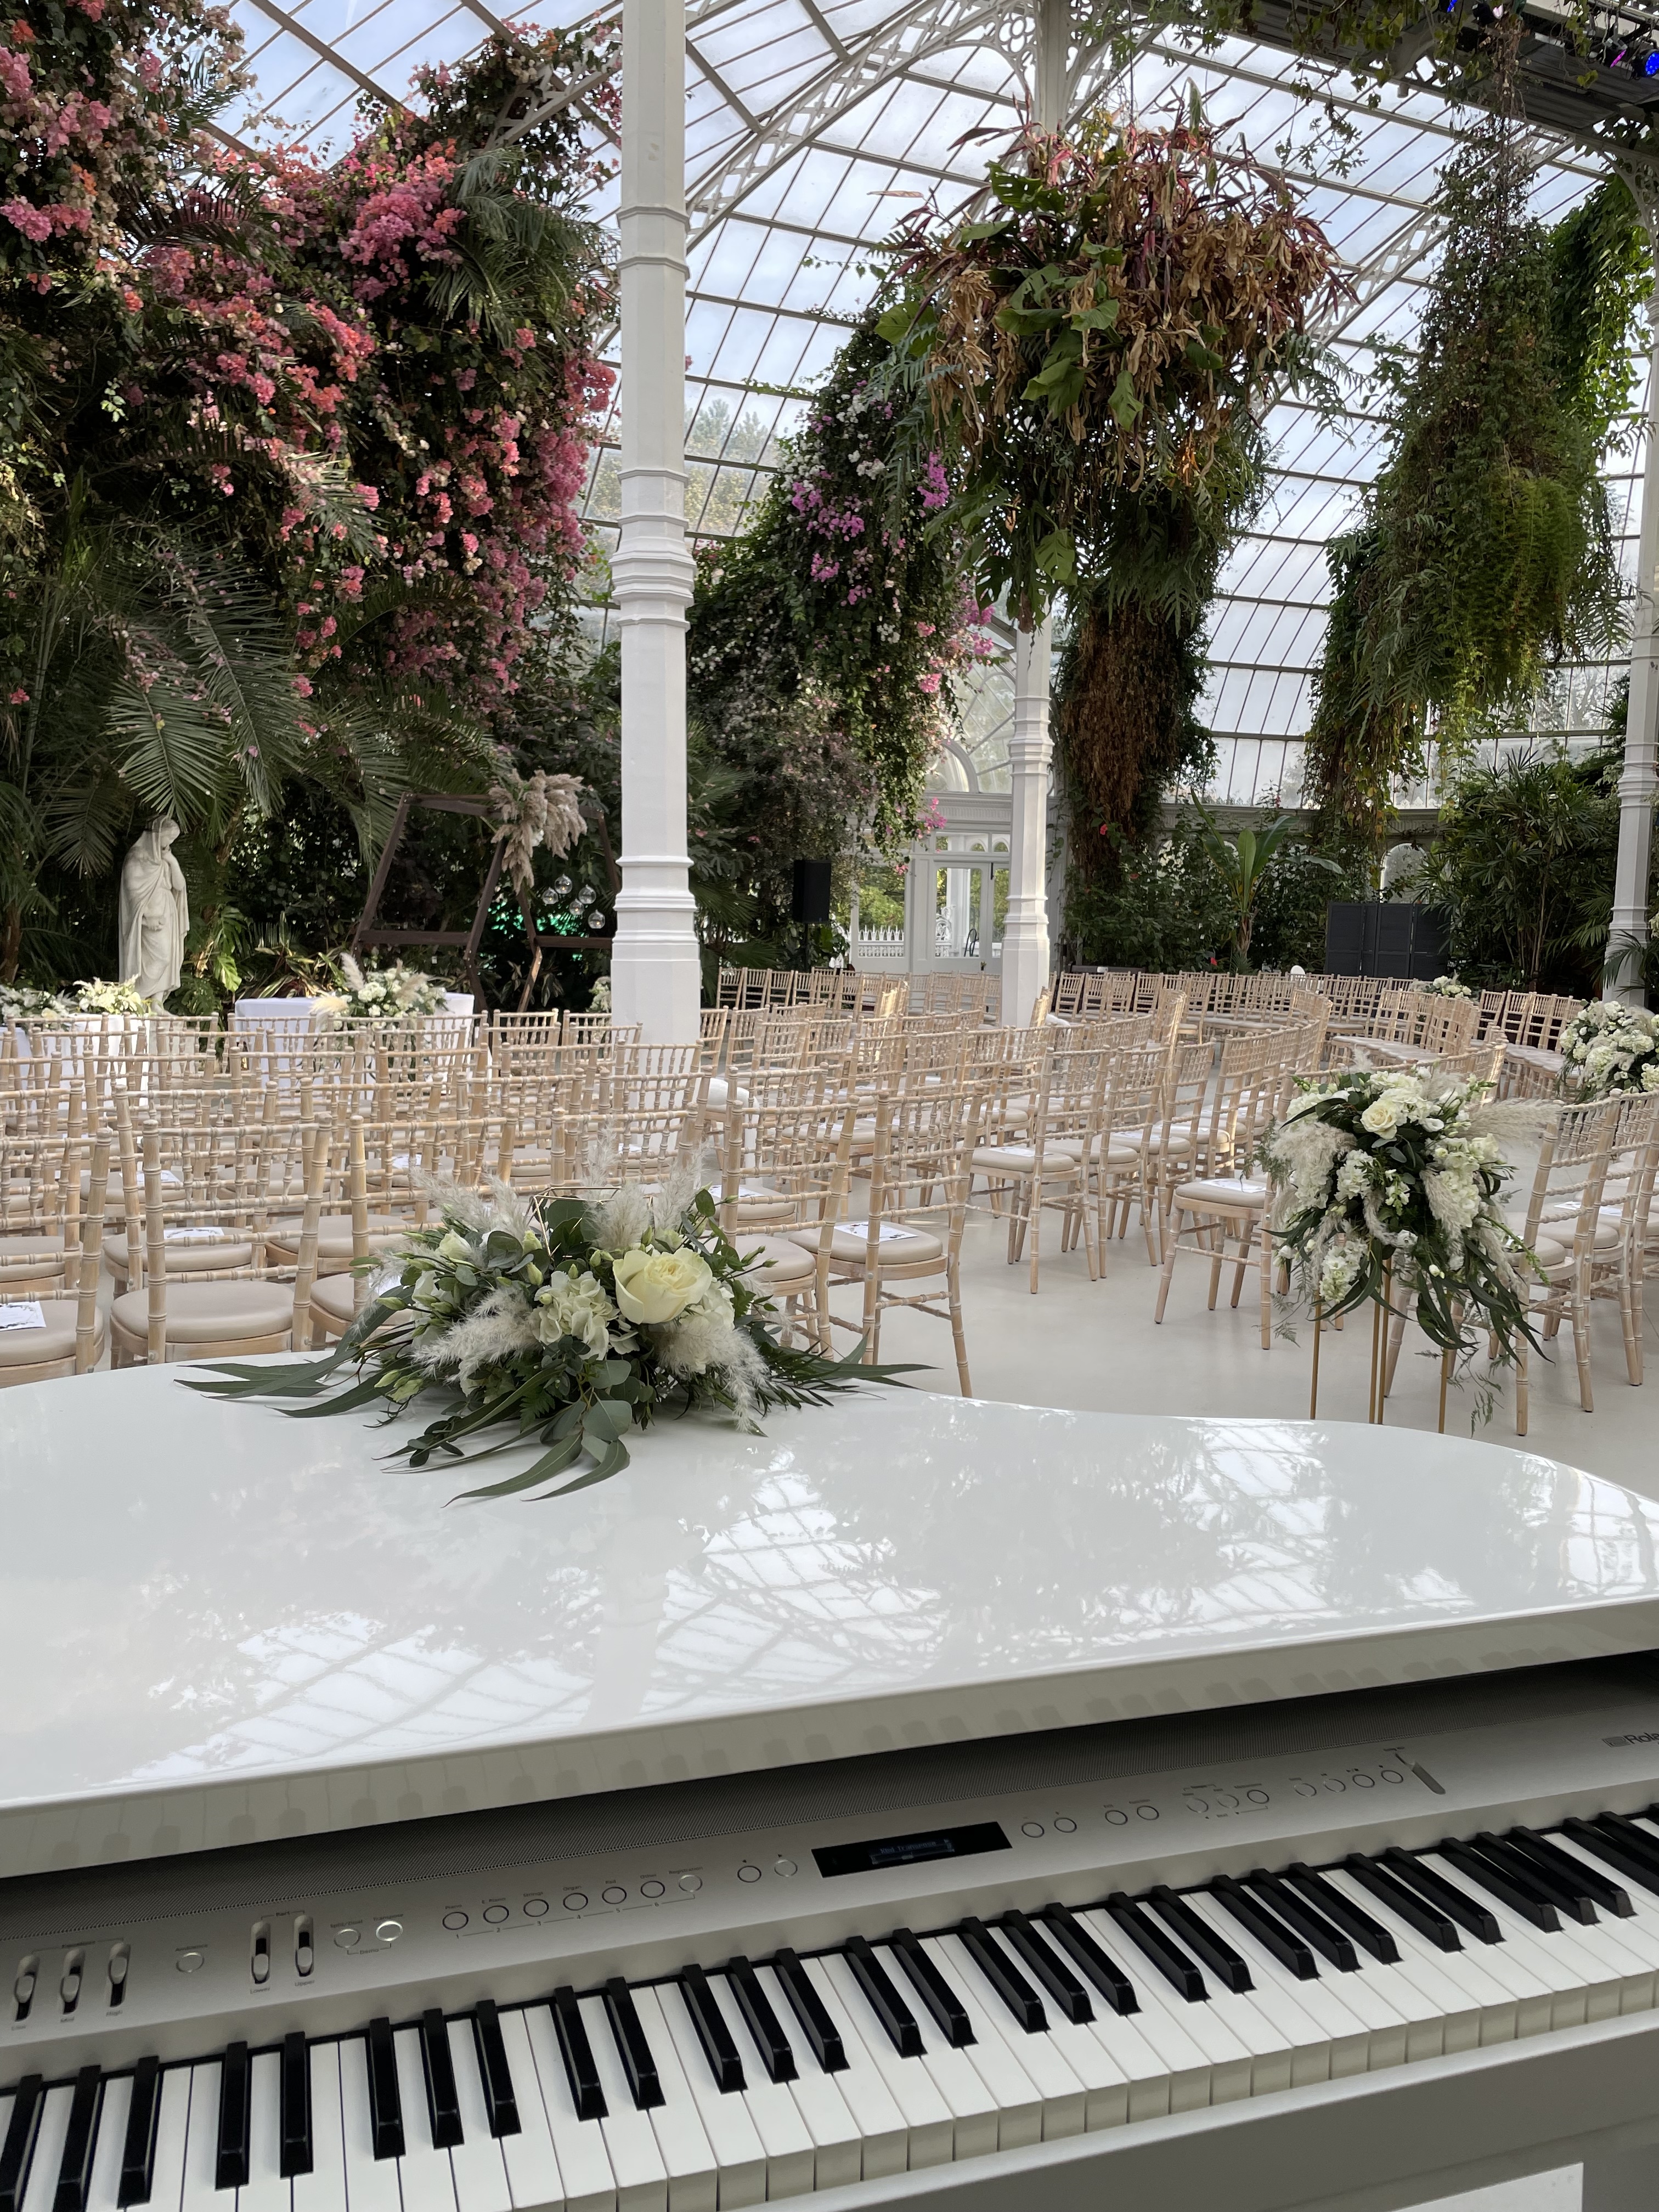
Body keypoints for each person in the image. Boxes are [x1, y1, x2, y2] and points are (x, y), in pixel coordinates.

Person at [118, 819, 190, 1006]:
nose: (168, 844)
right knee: (159, 957)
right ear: (156, 835)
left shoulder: (165, 859)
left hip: (168, 913)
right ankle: (136, 1000)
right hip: (150, 917)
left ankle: (156, 1003)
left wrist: (173, 862)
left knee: (168, 958)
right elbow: (132, 891)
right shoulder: (137, 857)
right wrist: (147, 915)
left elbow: (180, 885)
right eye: (167, 839)